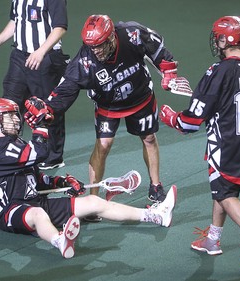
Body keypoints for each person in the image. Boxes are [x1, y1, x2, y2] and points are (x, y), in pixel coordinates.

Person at [29, 14, 191, 221]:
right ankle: (92, 202)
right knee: (103, 145)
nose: (95, 51)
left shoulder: (132, 34)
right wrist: (49, 108)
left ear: (112, 37)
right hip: (108, 106)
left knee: (149, 138)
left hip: (141, 97)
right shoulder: (84, 61)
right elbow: (66, 88)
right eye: (91, 46)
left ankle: (156, 186)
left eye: (99, 45)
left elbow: (156, 47)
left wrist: (168, 72)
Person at [0, 97, 177, 259]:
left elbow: (35, 179)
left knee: (94, 202)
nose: (17, 120)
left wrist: (61, 182)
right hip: (9, 211)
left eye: (16, 115)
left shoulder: (15, 142)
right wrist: (40, 126)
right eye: (9, 116)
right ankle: (59, 240)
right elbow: (39, 153)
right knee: (37, 214)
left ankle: (155, 215)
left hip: (33, 201)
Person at [160, 16, 240, 269]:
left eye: (217, 37)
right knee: (224, 189)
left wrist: (171, 118)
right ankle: (213, 240)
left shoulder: (217, 72)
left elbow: (191, 122)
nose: (215, 42)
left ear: (224, 40)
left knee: (225, 193)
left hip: (224, 143)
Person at [0, 0, 69, 170]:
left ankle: (53, 157)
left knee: (46, 109)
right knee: (8, 106)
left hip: (45, 57)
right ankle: (4, 152)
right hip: (20, 56)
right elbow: (16, 20)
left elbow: (60, 27)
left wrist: (41, 51)